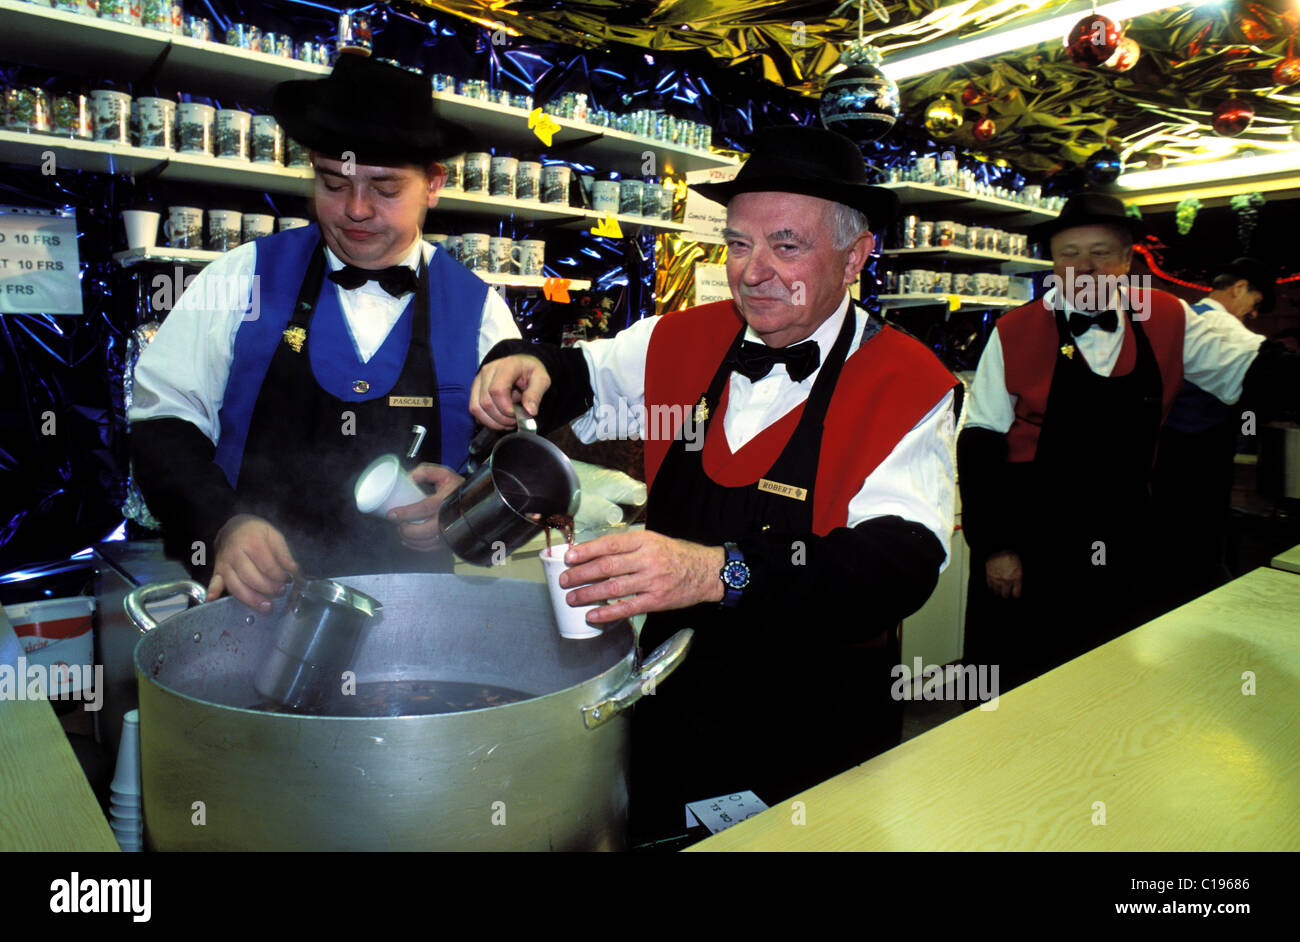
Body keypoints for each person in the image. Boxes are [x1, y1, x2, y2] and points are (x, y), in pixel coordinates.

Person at [469, 126, 959, 841]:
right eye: (736, 244)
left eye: (785, 246)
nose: (751, 272)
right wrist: (523, 363)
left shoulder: (906, 383)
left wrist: (715, 571)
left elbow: (896, 568)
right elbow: (577, 376)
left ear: (856, 257)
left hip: (814, 733)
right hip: (671, 710)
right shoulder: (679, 340)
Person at [129, 56, 519, 611]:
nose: (355, 210)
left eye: (385, 188)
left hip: (422, 617)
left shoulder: (481, 312)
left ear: (434, 184)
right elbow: (163, 423)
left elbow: (514, 464)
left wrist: (465, 512)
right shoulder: (240, 280)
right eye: (333, 183)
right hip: (257, 607)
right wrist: (220, 524)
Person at [957, 195, 1297, 697]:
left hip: (1128, 536)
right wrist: (996, 547)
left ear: (1127, 261)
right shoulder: (1014, 330)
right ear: (1054, 262)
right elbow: (981, 442)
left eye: (1101, 252)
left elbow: (1250, 366)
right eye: (1069, 253)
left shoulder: (1170, 317)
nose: (1085, 267)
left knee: (1115, 677)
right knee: (1024, 681)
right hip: (1033, 540)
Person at [1151, 258, 1276, 608]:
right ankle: (1202, 607)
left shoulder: (1184, 316)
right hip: (1203, 452)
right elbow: (1265, 374)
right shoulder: (1225, 327)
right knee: (1202, 540)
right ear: (1238, 288)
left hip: (1164, 450)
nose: (1253, 314)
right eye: (1256, 302)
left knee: (1168, 536)